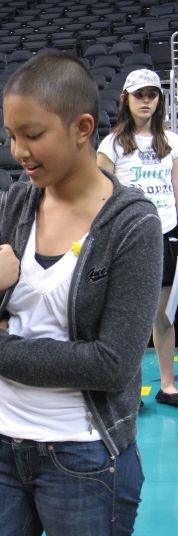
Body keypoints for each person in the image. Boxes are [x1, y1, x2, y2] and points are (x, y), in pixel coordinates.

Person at [0, 52, 163, 536]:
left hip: (87, 460)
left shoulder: (133, 225)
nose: (19, 152)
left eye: (33, 135)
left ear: (82, 128)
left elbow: (110, 364)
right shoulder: (6, 210)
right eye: (12, 136)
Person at [97, 68, 178, 408]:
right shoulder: (112, 144)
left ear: (160, 100)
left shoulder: (172, 140)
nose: (146, 100)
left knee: (163, 315)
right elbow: (101, 194)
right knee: (131, 318)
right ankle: (129, 390)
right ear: (126, 100)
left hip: (168, 232)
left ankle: (168, 385)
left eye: (152, 94)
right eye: (139, 95)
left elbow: (175, 187)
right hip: (130, 236)